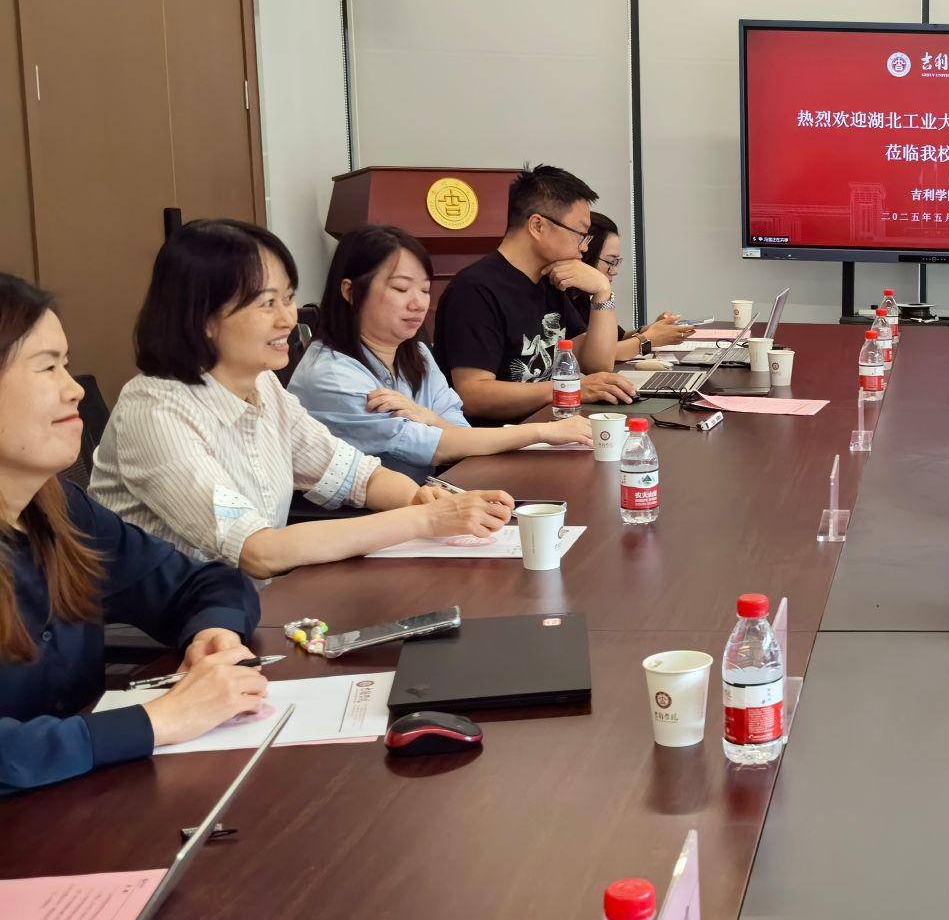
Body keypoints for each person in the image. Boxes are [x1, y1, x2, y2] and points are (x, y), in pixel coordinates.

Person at [91, 221, 512, 580]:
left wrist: (424, 499)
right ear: (203, 318)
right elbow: (258, 551)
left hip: (257, 603)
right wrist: (425, 519)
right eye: (266, 303)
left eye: (289, 298)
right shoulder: (157, 410)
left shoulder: (264, 386)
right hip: (178, 632)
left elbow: (357, 476)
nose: (287, 319)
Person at [0, 274, 270, 793]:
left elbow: (203, 583)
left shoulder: (60, 509)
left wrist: (211, 635)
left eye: (66, 363)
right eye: (48, 367)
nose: (75, 388)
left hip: (80, 803)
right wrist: (158, 720)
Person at [290, 225, 593, 483]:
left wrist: (428, 418)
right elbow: (437, 448)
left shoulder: (417, 354)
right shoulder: (331, 375)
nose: (418, 303)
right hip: (364, 518)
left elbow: (459, 432)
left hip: (426, 498)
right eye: (401, 289)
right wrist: (543, 431)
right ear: (351, 292)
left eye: (424, 290)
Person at [432, 164, 639, 423]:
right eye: (580, 234)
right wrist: (569, 389)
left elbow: (596, 365)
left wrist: (602, 291)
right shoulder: (475, 290)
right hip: (499, 441)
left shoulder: (549, 281)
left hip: (551, 429)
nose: (584, 248)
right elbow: (473, 395)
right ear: (538, 226)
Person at [577, 212, 694, 368]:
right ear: (586, 256)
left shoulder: (583, 296)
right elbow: (599, 356)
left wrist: (650, 329)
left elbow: (616, 338)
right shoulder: (565, 298)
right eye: (610, 262)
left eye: (616, 262)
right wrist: (648, 339)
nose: (615, 271)